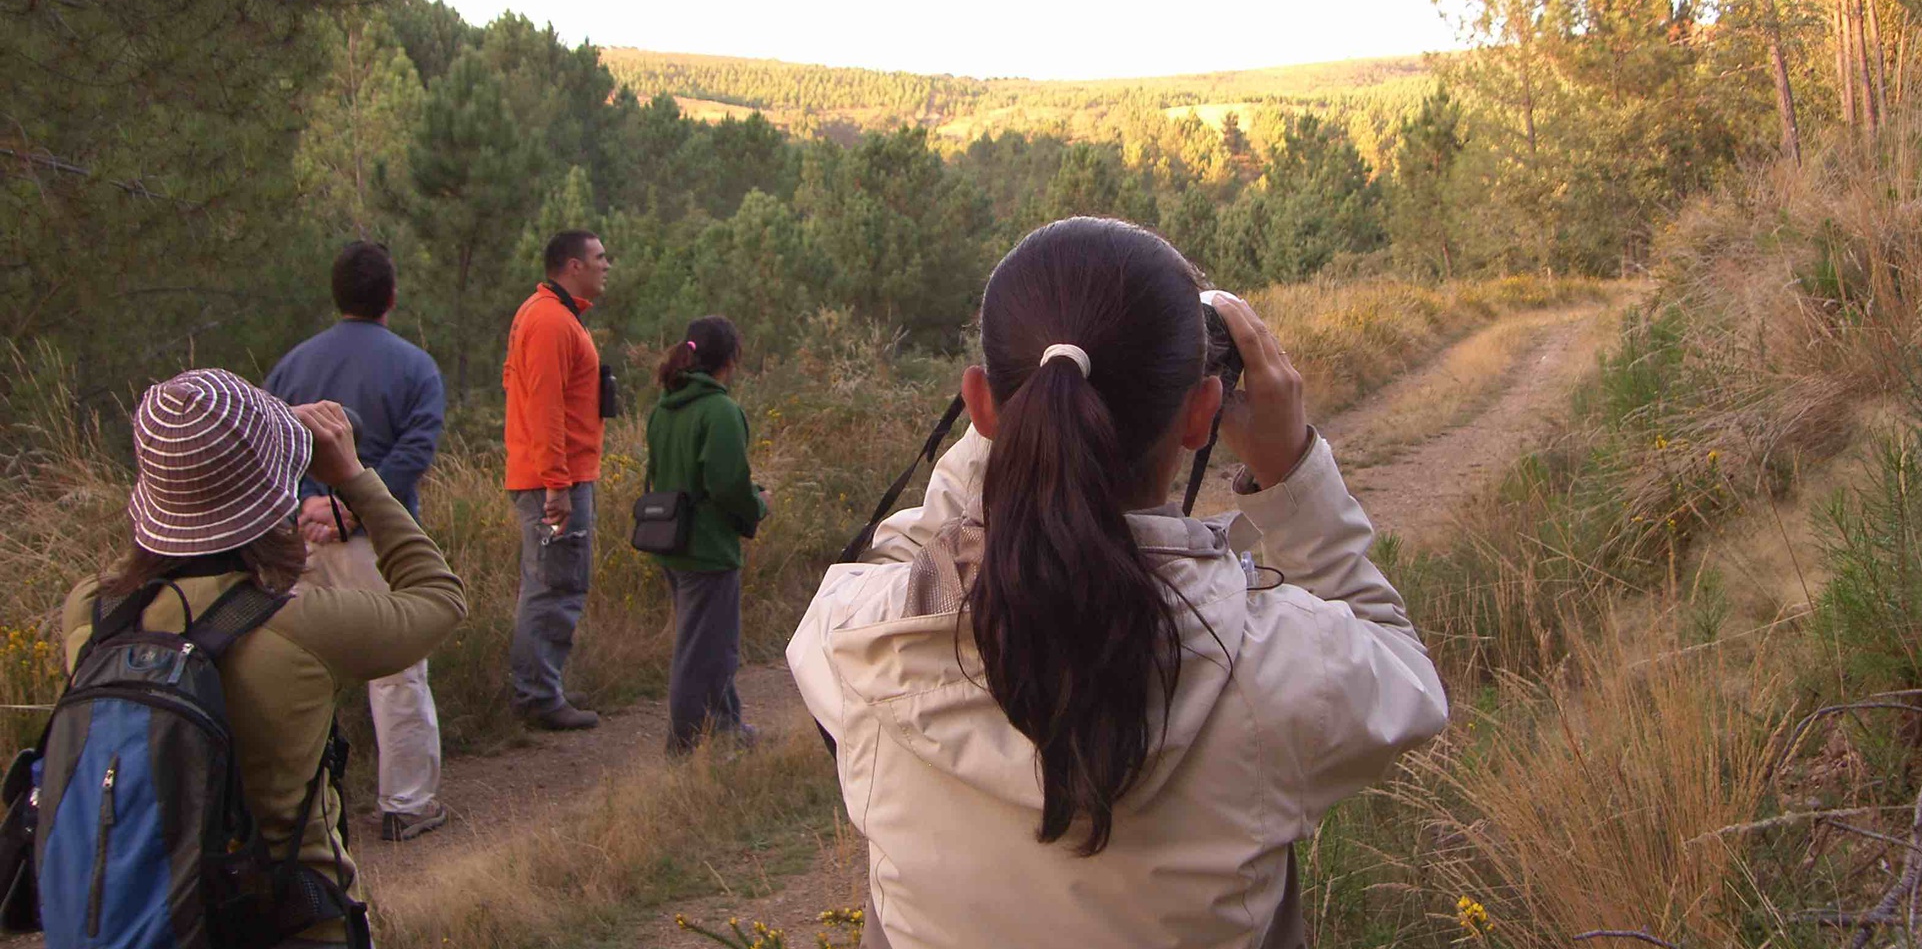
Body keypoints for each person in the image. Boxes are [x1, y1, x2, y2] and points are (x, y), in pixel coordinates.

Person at [787, 218, 1450, 949]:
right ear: (1201, 413)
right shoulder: (1278, 666)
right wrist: (1292, 472)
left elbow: (901, 563)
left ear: (981, 403)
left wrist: (1012, 431)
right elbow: (1404, 668)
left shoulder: (860, 639)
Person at [62, 369, 466, 946]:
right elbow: (439, 597)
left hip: (136, 918)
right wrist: (351, 476)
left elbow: (155, 557)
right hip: (289, 922)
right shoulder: (304, 625)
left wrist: (188, 478)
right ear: (269, 493)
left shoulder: (90, 613)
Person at [263, 241, 451, 842]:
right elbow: (414, 454)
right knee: (396, 674)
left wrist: (304, 507)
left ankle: (294, 808)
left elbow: (265, 452)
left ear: (337, 294)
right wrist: (350, 507)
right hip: (378, 543)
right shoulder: (415, 366)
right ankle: (407, 805)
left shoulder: (292, 366)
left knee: (286, 672)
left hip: (298, 540)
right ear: (392, 297)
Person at [643, 316, 770, 753]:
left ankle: (728, 728)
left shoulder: (665, 407)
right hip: (708, 548)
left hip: (670, 541)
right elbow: (726, 484)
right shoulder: (720, 411)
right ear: (730, 359)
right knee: (702, 652)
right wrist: (758, 505)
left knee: (709, 645)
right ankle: (686, 748)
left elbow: (658, 475)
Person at [503, 228, 612, 730]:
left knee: (551, 580)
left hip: (556, 473)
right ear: (572, 266)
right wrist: (556, 484)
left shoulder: (551, 315)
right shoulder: (549, 321)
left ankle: (542, 686)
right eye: (598, 257)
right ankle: (538, 698)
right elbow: (544, 406)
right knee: (554, 583)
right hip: (554, 478)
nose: (605, 265)